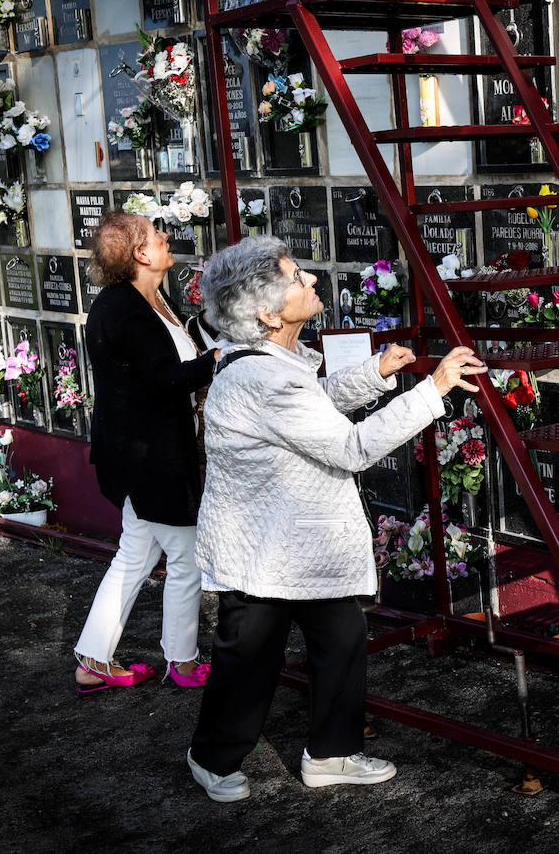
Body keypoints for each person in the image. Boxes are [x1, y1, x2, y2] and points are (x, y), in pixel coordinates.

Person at [185, 238, 486, 803]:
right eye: (298, 279)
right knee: (250, 657)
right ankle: (212, 757)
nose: (313, 281)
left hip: (301, 544)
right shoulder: (261, 378)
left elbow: (311, 406)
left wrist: (372, 374)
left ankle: (330, 755)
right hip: (262, 553)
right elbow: (349, 447)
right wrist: (434, 388)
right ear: (268, 314)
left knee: (343, 638)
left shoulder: (273, 366)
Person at [72, 211, 221, 694]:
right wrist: (218, 361)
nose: (165, 237)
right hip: (150, 458)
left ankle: (93, 661)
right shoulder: (125, 310)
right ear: (140, 253)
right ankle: (182, 659)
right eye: (157, 234)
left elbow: (167, 358)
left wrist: (208, 335)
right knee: (186, 557)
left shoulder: (148, 299)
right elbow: (162, 380)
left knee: (133, 556)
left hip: (144, 453)